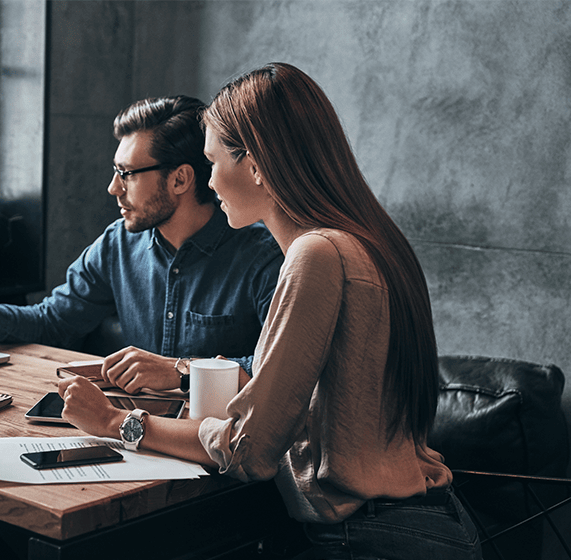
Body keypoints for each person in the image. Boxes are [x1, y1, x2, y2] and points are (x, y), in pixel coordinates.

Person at [57, 63, 482, 559]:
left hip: (369, 539)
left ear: (255, 163)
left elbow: (250, 449)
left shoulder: (316, 255)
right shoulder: (368, 241)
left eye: (213, 162)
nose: (209, 181)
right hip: (421, 527)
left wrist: (115, 422)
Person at [0, 96, 283, 394]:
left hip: (220, 452)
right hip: (133, 434)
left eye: (127, 174)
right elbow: (52, 322)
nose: (113, 188)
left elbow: (278, 372)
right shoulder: (118, 244)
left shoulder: (263, 258)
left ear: (180, 180)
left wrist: (179, 370)